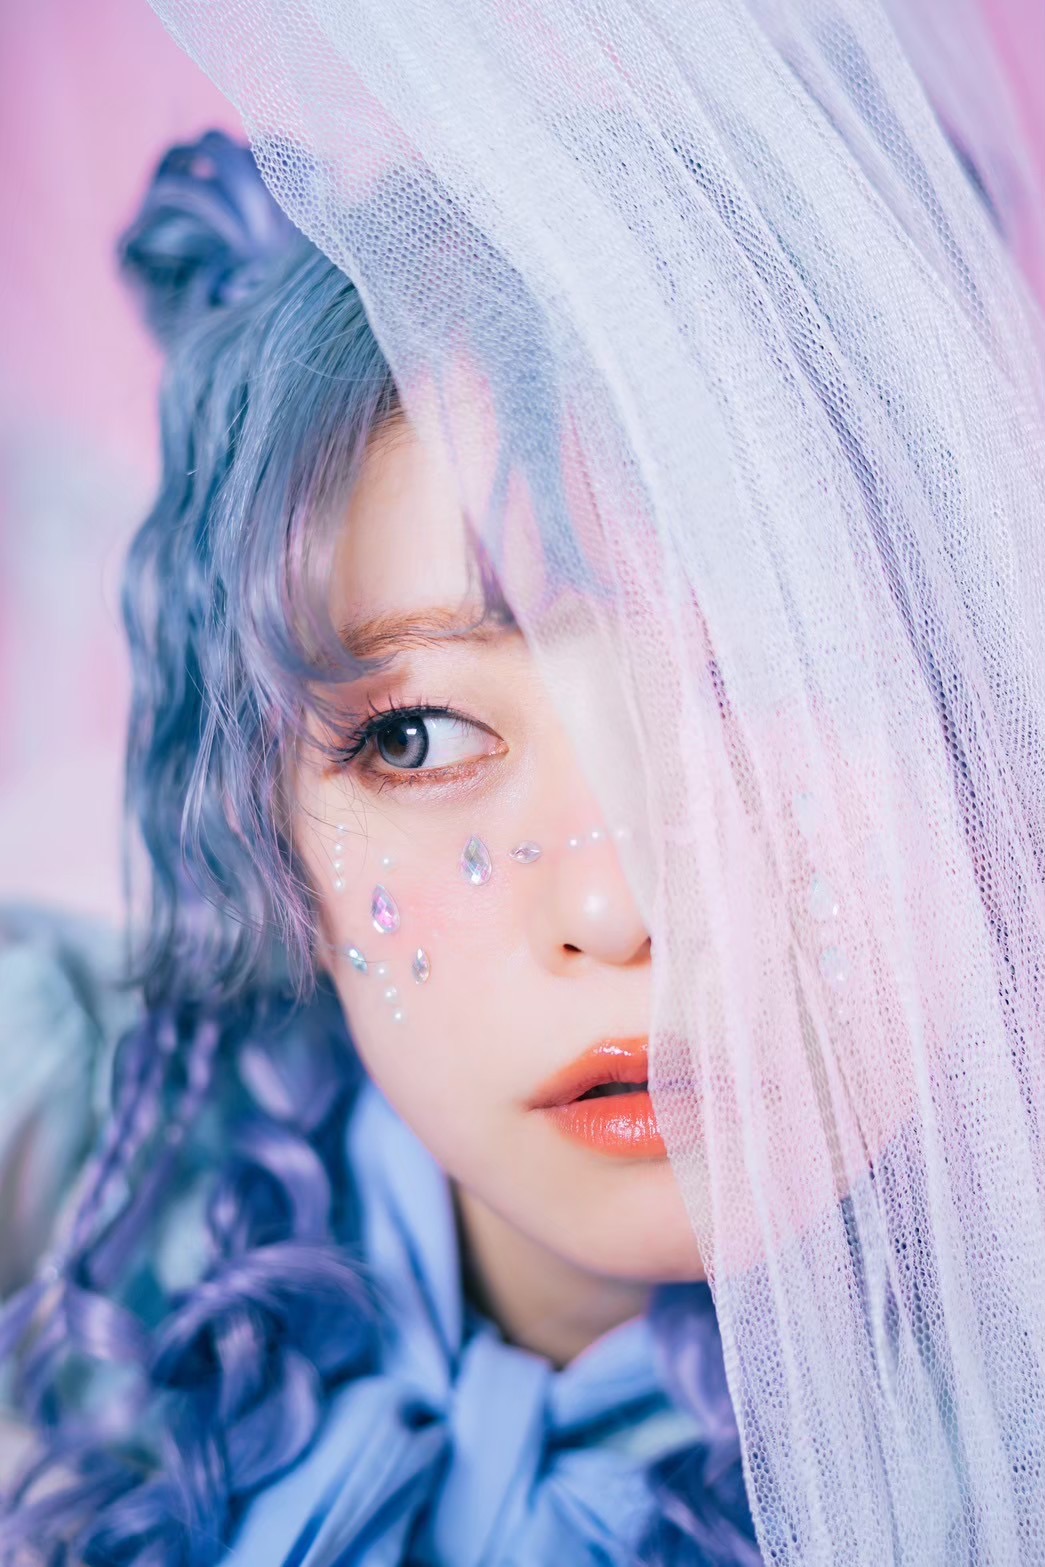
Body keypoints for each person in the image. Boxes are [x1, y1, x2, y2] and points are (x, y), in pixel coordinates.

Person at [0, 131, 760, 1566]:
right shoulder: (86, 1139)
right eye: (414, 736)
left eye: (743, 692)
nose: (620, 904)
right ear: (261, 824)